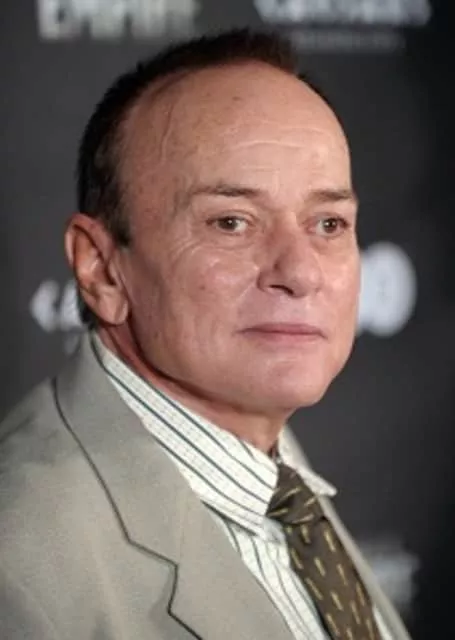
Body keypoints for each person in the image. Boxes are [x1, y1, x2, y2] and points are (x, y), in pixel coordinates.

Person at [0, 29, 410, 640]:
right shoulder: (20, 570)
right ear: (101, 268)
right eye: (231, 222)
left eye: (328, 223)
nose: (301, 272)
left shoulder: (266, 458)